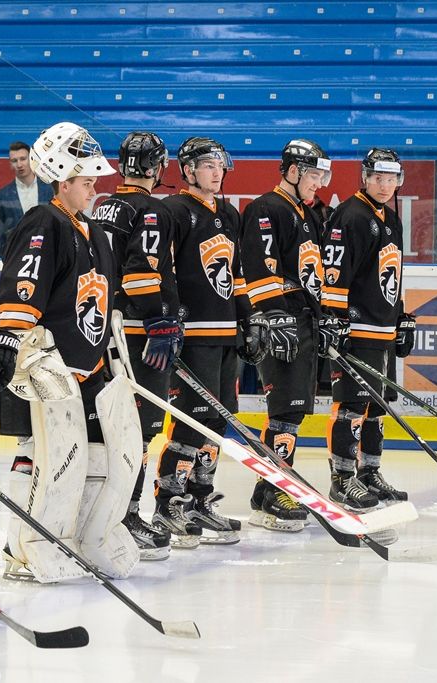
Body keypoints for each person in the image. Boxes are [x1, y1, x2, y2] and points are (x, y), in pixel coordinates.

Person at [0, 121, 141, 583]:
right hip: (46, 371)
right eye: (86, 181)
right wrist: (9, 342)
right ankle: (19, 549)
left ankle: (71, 539)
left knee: (92, 457)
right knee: (40, 453)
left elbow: (104, 303)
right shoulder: (43, 222)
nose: (94, 188)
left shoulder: (93, 231)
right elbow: (23, 288)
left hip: (88, 370)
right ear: (63, 181)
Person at [152, 136, 264, 546]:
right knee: (190, 420)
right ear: (188, 170)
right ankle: (168, 503)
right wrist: (169, 321)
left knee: (218, 421)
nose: (217, 173)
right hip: (193, 336)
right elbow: (163, 271)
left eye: (220, 166)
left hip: (224, 335)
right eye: (207, 166)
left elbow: (237, 273)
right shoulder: (173, 211)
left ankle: (199, 499)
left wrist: (249, 318)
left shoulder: (229, 213)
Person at [240, 139, 345, 532]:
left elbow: (313, 275)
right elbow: (259, 266)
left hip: (303, 320)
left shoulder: (307, 213)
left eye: (321, 175)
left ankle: (271, 485)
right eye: (314, 174)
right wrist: (273, 315)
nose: (319, 182)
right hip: (281, 322)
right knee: (284, 408)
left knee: (294, 410)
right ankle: (272, 489)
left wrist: (325, 317)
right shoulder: (266, 208)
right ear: (294, 171)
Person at [91, 131, 177, 560]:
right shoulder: (150, 209)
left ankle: (106, 516)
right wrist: (159, 320)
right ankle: (124, 519)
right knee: (139, 430)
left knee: (113, 426)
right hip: (139, 332)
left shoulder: (103, 204)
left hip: (103, 326)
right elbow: (141, 273)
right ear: (156, 167)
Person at [321, 148, 414, 509]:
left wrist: (400, 316)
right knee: (352, 403)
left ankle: (368, 472)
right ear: (365, 177)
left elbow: (393, 273)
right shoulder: (351, 214)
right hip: (356, 328)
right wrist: (334, 317)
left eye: (391, 179)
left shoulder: (391, 217)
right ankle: (342, 478)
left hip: (382, 328)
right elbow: (334, 271)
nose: (385, 185)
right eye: (378, 178)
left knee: (377, 405)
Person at [0, 141, 55, 256]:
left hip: (48, 253)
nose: (19, 164)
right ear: (10, 164)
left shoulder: (51, 190)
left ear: (31, 159)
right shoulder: (2, 195)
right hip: (16, 256)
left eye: (23, 159)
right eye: (14, 161)